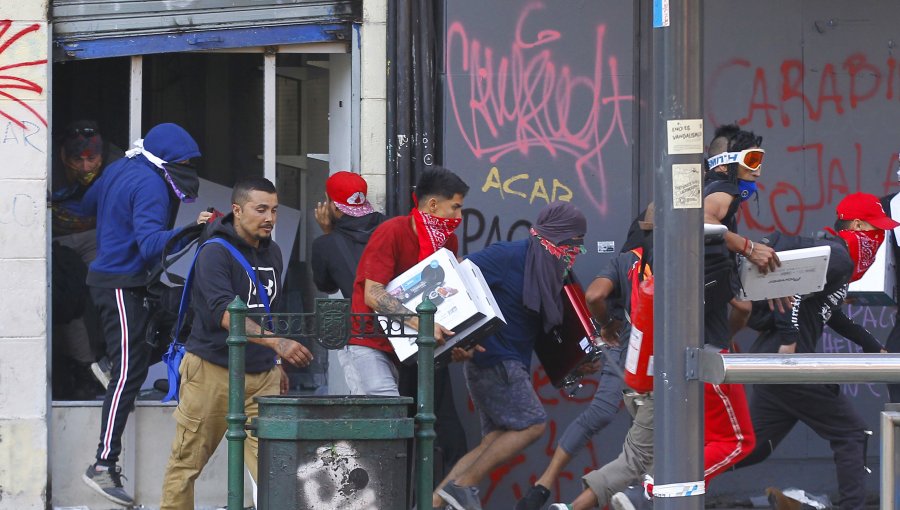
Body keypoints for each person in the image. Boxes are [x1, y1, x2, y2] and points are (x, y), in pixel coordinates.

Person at [79, 123, 213, 506]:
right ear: (169, 160)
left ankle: (110, 365)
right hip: (120, 283)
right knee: (128, 370)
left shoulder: (122, 166)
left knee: (181, 315)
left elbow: (88, 205)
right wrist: (194, 229)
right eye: (185, 162)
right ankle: (103, 465)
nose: (189, 167)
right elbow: (152, 243)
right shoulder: (152, 185)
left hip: (126, 281)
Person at [159, 177, 313, 509]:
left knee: (276, 469)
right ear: (237, 210)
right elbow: (224, 314)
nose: (269, 218)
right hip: (213, 372)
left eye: (274, 210)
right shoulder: (214, 252)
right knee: (187, 464)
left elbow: (268, 310)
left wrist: (276, 363)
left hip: (262, 375)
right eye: (260, 210)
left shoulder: (272, 250)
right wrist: (278, 345)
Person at [734, 192, 895, 510]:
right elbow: (788, 287)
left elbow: (829, 312)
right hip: (788, 362)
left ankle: (663, 482)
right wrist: (789, 340)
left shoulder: (837, 260)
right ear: (859, 225)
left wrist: (871, 345)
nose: (880, 237)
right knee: (851, 434)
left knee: (754, 448)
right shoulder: (839, 257)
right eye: (876, 229)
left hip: (776, 364)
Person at [434, 201, 588, 510]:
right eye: (571, 244)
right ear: (554, 237)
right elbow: (457, 275)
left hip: (506, 362)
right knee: (533, 424)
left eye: (579, 247)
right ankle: (462, 486)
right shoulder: (510, 256)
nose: (573, 253)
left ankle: (433, 503)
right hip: (495, 359)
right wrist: (462, 334)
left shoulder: (548, 270)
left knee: (496, 439)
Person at [340, 166, 470, 396]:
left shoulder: (449, 243)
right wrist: (423, 325)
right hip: (368, 341)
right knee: (387, 416)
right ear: (433, 205)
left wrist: (463, 337)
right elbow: (373, 294)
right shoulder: (392, 231)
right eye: (455, 208)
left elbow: (443, 297)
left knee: (400, 423)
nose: (459, 217)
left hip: (405, 347)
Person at [50, 120, 124, 398]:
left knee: (111, 289)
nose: (84, 168)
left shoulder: (116, 165)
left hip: (98, 235)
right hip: (55, 240)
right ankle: (85, 367)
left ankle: (119, 358)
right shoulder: (43, 165)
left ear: (102, 156)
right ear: (61, 155)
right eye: (75, 160)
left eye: (91, 159)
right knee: (69, 296)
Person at [311, 170, 385, 298]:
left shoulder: (324, 245)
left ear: (334, 206)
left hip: (362, 317)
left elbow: (328, 287)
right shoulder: (390, 225)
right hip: (403, 314)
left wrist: (329, 234)